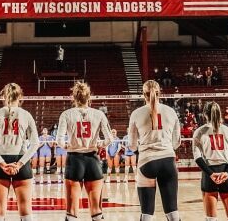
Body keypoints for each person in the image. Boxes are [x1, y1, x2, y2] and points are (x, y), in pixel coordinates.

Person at [56, 81, 113, 221]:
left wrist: (68, 146)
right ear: (89, 97)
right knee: (96, 210)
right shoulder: (98, 114)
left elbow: (59, 140)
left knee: (71, 211)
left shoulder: (66, 114)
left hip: (74, 160)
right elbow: (109, 139)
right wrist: (100, 145)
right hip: (92, 160)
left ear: (74, 98)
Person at [127, 80, 181, 221]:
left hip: (147, 161)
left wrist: (144, 145)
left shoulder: (136, 113)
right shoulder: (171, 112)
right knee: (173, 213)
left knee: (147, 214)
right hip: (168, 161)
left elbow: (132, 145)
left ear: (143, 94)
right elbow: (177, 142)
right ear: (159, 93)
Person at [0, 83, 39, 221]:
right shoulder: (26, 115)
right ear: (20, 96)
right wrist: (19, 165)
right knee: (25, 208)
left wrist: (2, 164)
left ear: (3, 95)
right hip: (21, 159)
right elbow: (35, 143)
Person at [192, 102, 228, 221]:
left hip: (209, 174)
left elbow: (197, 157)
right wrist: (227, 173)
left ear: (204, 114)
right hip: (226, 173)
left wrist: (211, 174)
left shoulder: (199, 132)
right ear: (220, 114)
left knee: (211, 219)